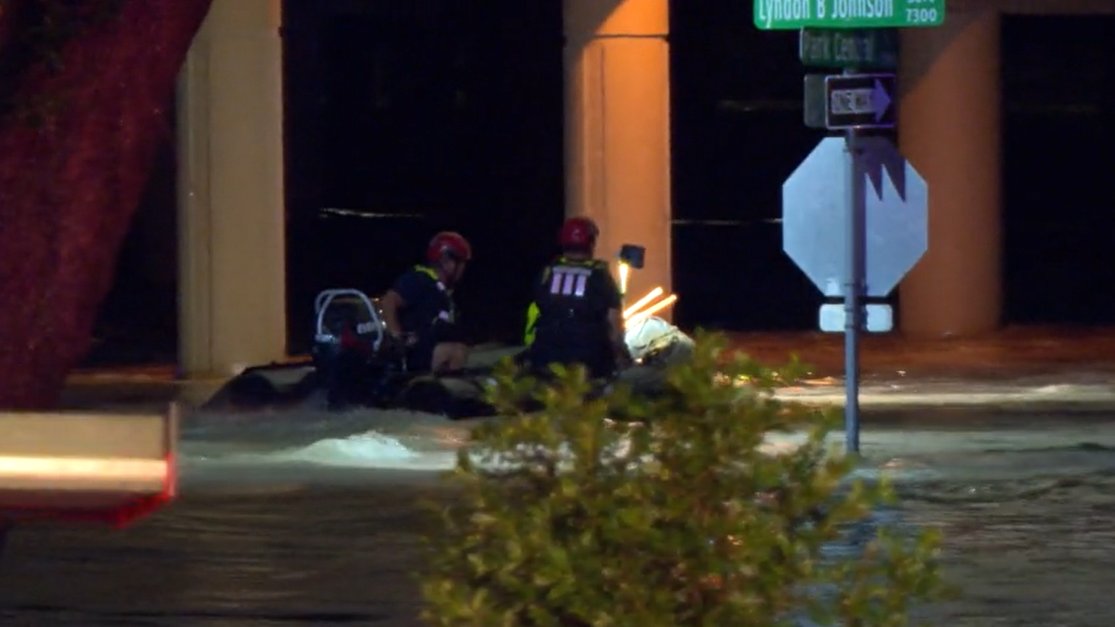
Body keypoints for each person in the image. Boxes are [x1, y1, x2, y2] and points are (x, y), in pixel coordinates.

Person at [522, 216, 631, 379]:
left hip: (545, 356)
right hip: (589, 361)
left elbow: (534, 312)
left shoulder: (548, 272)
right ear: (591, 242)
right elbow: (614, 324)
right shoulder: (599, 275)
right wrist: (622, 355)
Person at [380, 231, 471, 374]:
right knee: (457, 352)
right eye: (461, 262)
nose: (463, 269)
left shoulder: (441, 290)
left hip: (427, 352)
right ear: (446, 261)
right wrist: (397, 340)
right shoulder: (420, 279)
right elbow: (388, 301)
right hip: (415, 357)